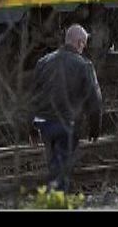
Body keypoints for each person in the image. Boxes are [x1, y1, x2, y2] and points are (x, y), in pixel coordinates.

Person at [30, 23, 103, 192]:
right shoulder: (85, 65)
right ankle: (59, 199)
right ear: (79, 43)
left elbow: (33, 97)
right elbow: (95, 101)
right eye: (84, 44)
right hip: (67, 125)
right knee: (62, 168)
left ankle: (55, 196)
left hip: (45, 124)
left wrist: (31, 129)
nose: (83, 48)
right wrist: (95, 129)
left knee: (54, 165)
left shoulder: (43, 62)